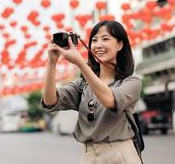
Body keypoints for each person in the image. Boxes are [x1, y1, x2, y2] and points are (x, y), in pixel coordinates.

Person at [41, 20, 142, 164]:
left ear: (120, 45)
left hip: (120, 155)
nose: (98, 45)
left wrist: (80, 63)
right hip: (89, 156)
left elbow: (110, 100)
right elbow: (50, 101)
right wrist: (52, 62)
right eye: (94, 40)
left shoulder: (131, 82)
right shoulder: (82, 84)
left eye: (105, 39)